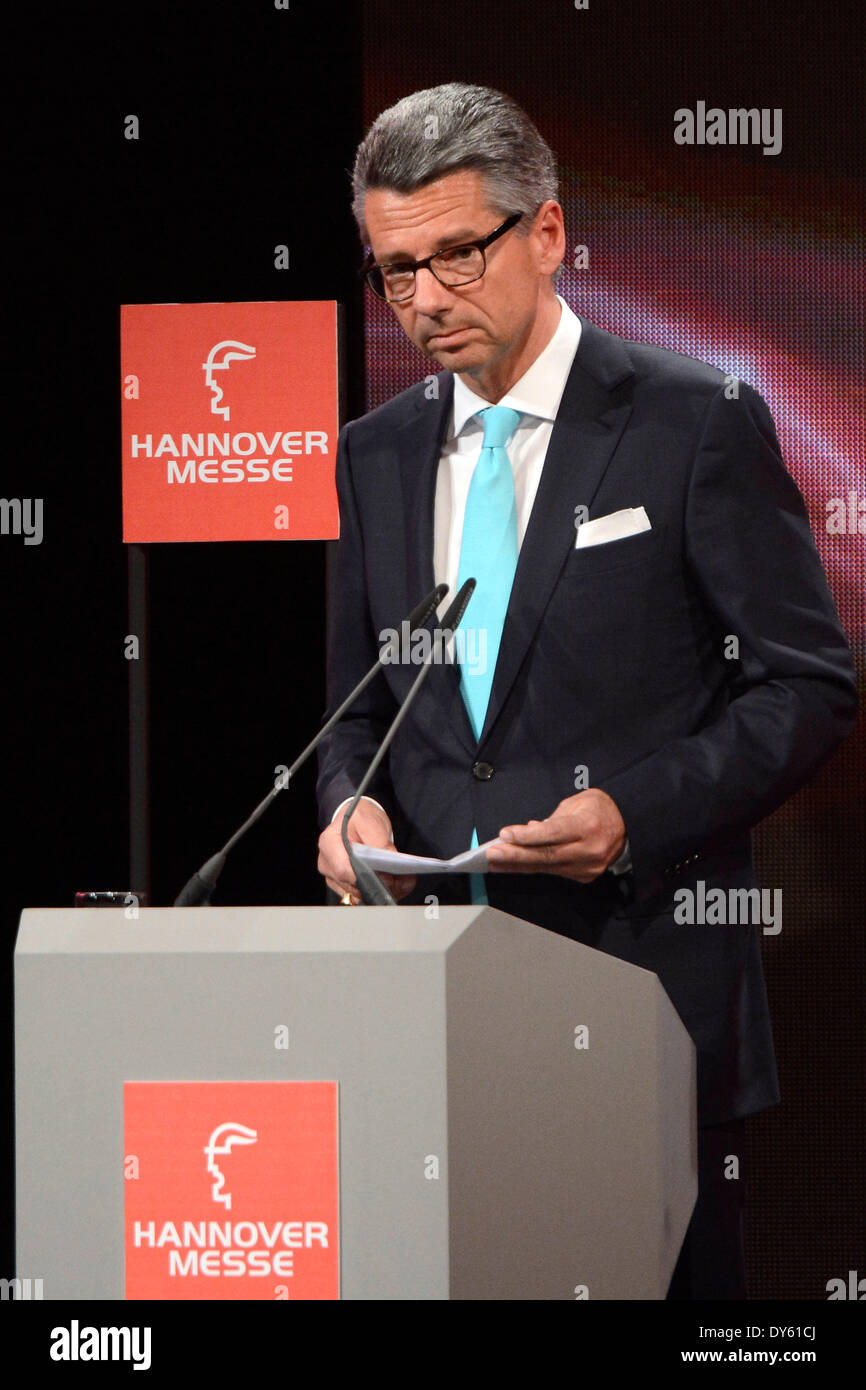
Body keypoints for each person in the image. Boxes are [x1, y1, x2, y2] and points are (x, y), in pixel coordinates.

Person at [315, 83, 857, 1298]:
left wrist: (631, 814)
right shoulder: (375, 453)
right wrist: (349, 804)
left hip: (641, 996)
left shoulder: (689, 421)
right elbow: (357, 707)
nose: (424, 301)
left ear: (547, 235)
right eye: (395, 270)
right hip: (437, 1006)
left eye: (456, 254)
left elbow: (804, 687)